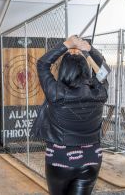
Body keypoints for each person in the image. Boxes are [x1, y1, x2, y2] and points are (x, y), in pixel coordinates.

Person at [36, 35, 108, 195]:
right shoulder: (100, 91)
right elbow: (104, 71)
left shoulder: (55, 92)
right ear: (85, 68)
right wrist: (89, 49)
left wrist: (67, 44)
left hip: (60, 158)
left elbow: (42, 64)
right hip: (92, 158)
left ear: (63, 69)